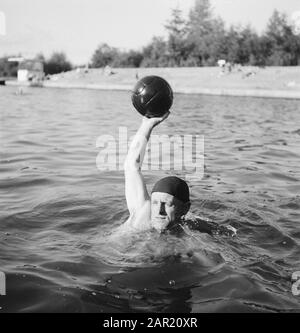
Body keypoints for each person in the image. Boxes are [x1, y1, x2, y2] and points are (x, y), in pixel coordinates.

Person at [121, 112, 236, 237]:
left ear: (185, 209)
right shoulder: (141, 216)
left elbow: (231, 233)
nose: (160, 211)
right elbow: (131, 165)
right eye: (155, 203)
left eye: (168, 204)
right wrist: (147, 126)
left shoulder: (190, 226)